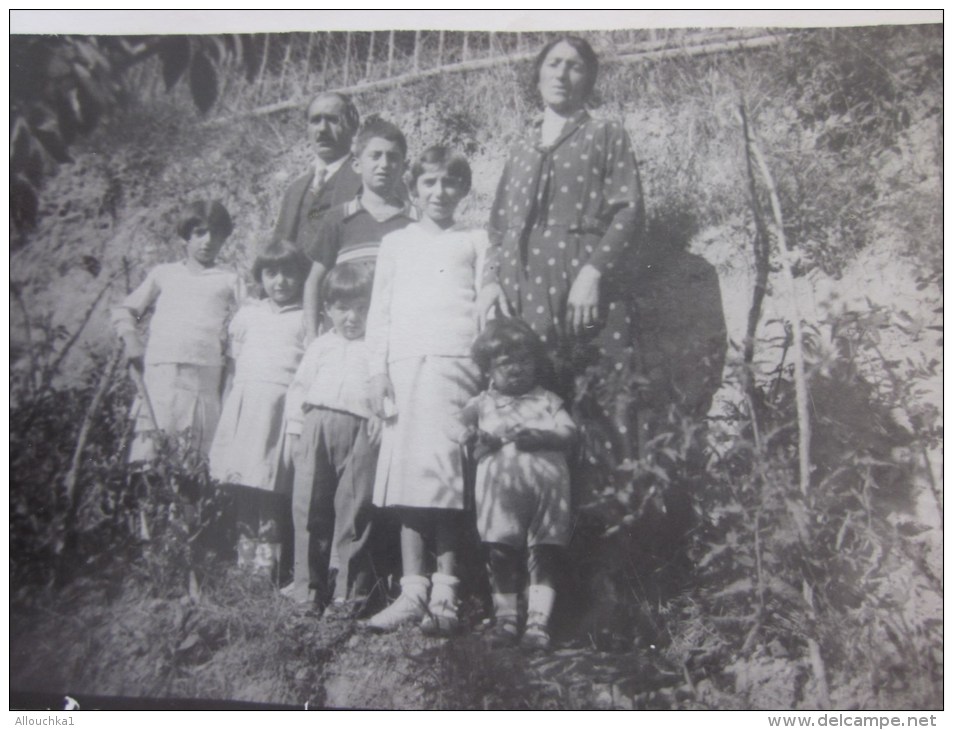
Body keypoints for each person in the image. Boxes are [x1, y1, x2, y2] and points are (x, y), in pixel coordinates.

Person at [483, 36, 645, 493]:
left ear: (589, 79)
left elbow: (629, 210)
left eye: (574, 66)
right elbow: (498, 225)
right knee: (536, 413)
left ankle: (611, 549)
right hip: (525, 301)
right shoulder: (521, 147)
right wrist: (493, 282)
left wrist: (593, 274)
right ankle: (539, 547)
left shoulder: (606, 134)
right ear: (537, 75)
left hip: (586, 301)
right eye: (552, 63)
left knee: (602, 413)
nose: (561, 73)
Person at [363, 146, 487, 636]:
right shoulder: (396, 242)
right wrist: (377, 372)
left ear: (463, 190)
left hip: (457, 364)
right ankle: (411, 590)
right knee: (409, 480)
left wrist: (484, 368)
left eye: (450, 183)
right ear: (412, 190)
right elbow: (381, 312)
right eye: (429, 183)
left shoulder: (476, 240)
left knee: (449, 479)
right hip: (405, 366)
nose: (440, 193)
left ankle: (447, 592)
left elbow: (484, 307)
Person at [465, 317, 576, 651]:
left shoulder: (547, 400)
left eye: (524, 360)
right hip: (501, 493)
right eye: (505, 362)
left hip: (547, 491)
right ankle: (506, 619)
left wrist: (544, 436)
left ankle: (539, 623)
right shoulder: (482, 403)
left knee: (544, 552)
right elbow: (465, 434)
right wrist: (481, 437)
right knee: (500, 551)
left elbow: (570, 433)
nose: (516, 368)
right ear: (488, 369)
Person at [112, 200, 243, 463]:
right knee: (151, 454)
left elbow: (249, 321)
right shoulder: (165, 273)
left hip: (204, 376)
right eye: (199, 233)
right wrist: (131, 339)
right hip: (162, 372)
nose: (208, 241)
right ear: (186, 236)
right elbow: (125, 310)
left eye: (216, 234)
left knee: (193, 458)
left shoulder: (230, 279)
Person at [283, 263, 380, 616]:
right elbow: (299, 389)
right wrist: (296, 431)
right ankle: (308, 592)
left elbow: (387, 388)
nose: (352, 318)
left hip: (361, 429)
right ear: (327, 310)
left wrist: (381, 417)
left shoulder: (377, 348)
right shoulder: (321, 346)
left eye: (362, 308)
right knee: (308, 508)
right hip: (316, 426)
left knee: (355, 510)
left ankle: (347, 597)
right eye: (342, 308)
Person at [208, 238, 309, 577]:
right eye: (271, 273)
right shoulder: (248, 315)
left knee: (270, 486)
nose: (280, 281)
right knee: (244, 486)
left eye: (289, 273)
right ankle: (244, 559)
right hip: (245, 405)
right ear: (260, 276)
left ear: (302, 276)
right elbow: (233, 368)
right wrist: (227, 409)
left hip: (279, 409)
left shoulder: (307, 318)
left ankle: (266, 565)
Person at [301, 117, 414, 338]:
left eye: (392, 157)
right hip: (349, 338)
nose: (384, 165)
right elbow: (314, 281)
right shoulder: (339, 218)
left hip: (398, 336)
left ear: (404, 166)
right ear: (356, 164)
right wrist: (313, 337)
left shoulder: (416, 221)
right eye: (375, 156)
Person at [273, 91, 363, 338]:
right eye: (315, 120)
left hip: (343, 315)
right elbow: (276, 253)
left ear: (353, 127)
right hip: (292, 313)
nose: (322, 129)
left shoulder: (366, 182)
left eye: (332, 120)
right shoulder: (296, 189)